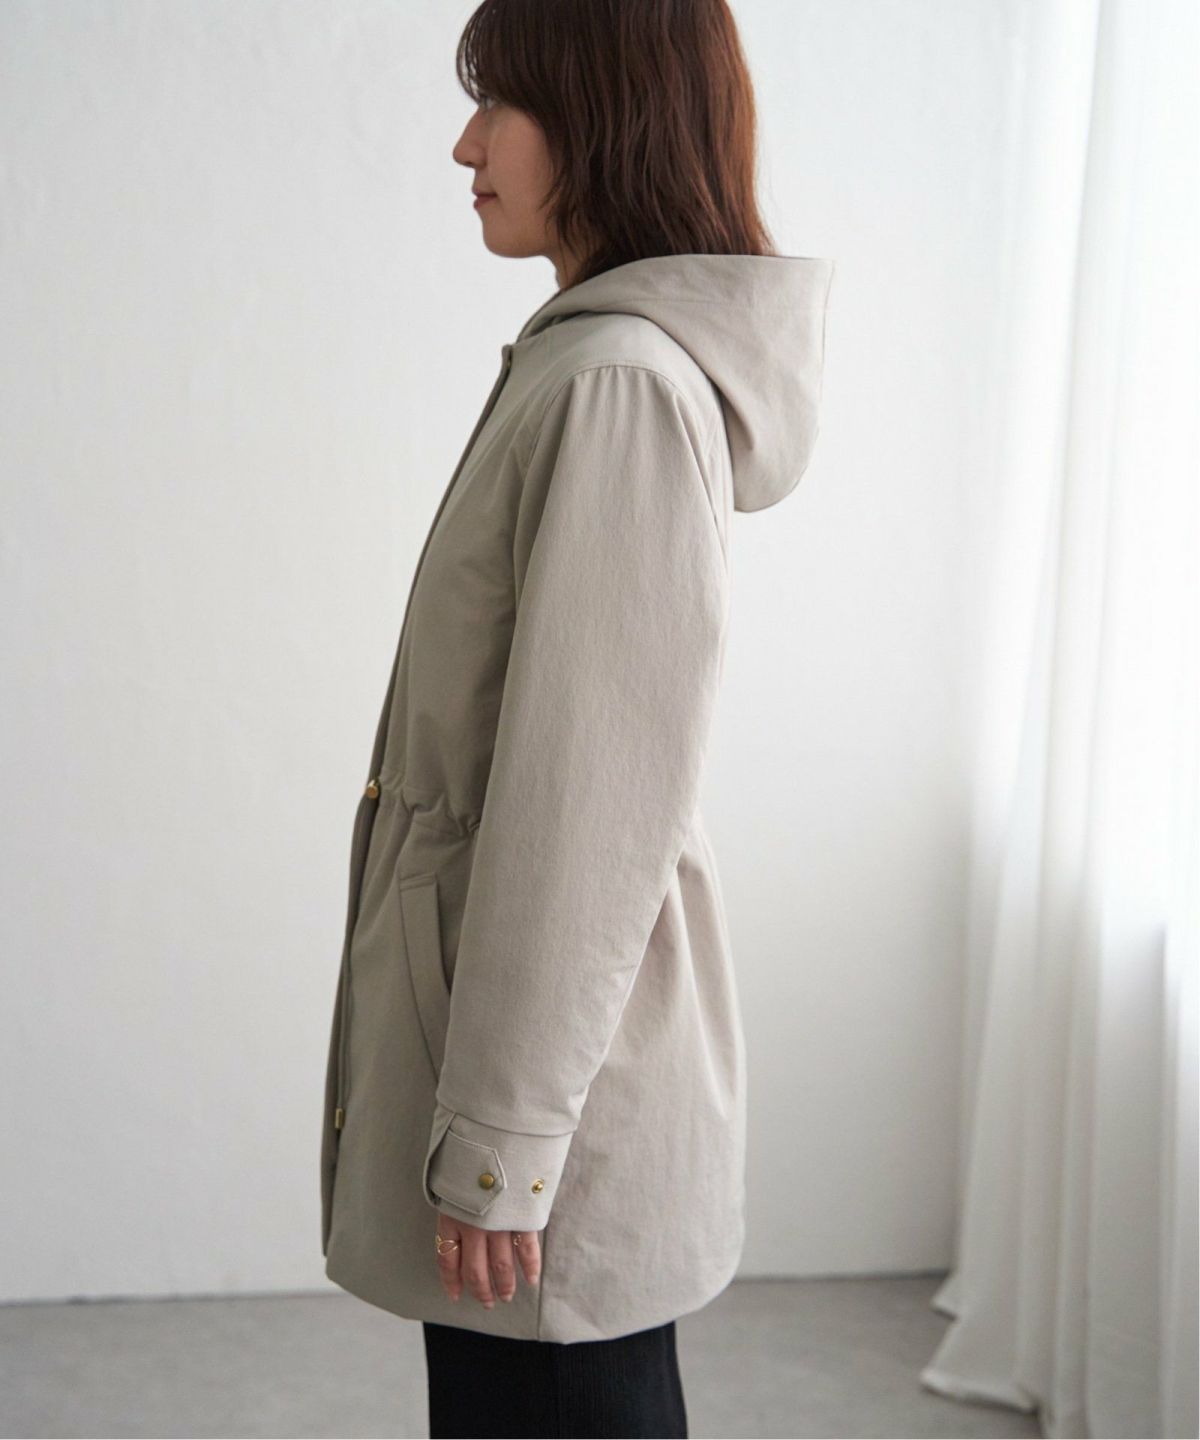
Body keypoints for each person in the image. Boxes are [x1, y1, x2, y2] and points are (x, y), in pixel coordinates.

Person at [319, 0, 835, 1434]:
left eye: (504, 104)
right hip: (526, 1051)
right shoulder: (584, 361)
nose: (466, 146)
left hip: (555, 1088)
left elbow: (589, 808)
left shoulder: (617, 386)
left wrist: (505, 1135)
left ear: (607, 118)